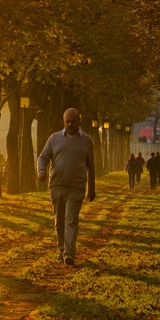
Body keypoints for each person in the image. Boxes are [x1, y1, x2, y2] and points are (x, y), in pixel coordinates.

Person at [36, 108, 96, 267]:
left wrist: (92, 188)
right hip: (56, 186)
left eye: (73, 121)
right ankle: (62, 249)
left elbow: (91, 166)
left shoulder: (87, 140)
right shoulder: (54, 138)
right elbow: (43, 157)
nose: (70, 125)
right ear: (64, 122)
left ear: (79, 121)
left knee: (70, 219)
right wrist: (41, 171)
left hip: (76, 187)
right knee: (59, 221)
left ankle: (69, 253)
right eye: (67, 122)